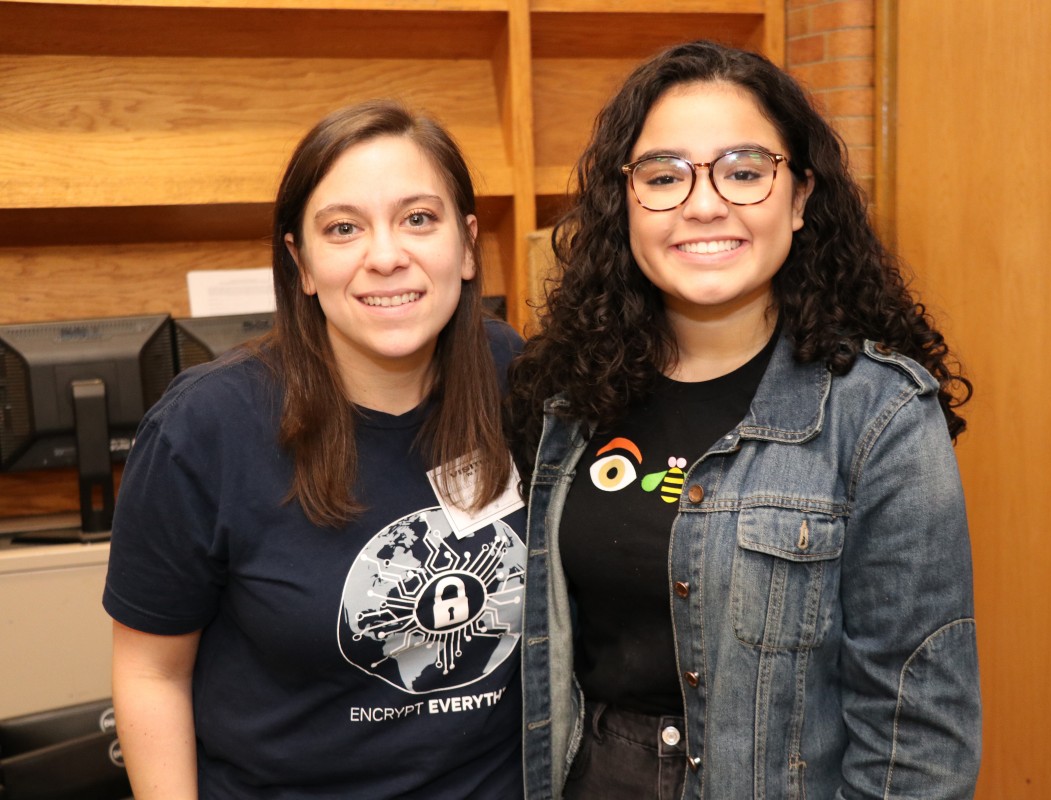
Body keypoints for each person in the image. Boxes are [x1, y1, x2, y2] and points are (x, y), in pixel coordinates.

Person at [505, 41, 982, 799]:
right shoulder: (566, 395)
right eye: (663, 175)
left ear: (799, 199)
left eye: (745, 171)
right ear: (622, 203)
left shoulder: (879, 417)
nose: (703, 203)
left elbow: (917, 733)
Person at [104, 99, 526, 798]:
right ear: (300, 262)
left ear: (469, 243)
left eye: (419, 219)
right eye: (343, 228)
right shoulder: (205, 428)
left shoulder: (519, 379)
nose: (387, 256)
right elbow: (152, 673)